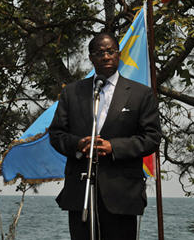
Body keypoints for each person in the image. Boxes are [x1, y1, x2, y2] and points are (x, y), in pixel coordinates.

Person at [49, 32, 161, 240]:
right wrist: (77, 144)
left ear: (119, 55)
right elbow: (56, 134)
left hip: (122, 194)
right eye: (100, 53)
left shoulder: (140, 94)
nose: (106, 57)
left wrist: (114, 147)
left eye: (111, 52)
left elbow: (152, 137)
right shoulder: (72, 93)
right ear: (91, 58)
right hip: (80, 192)